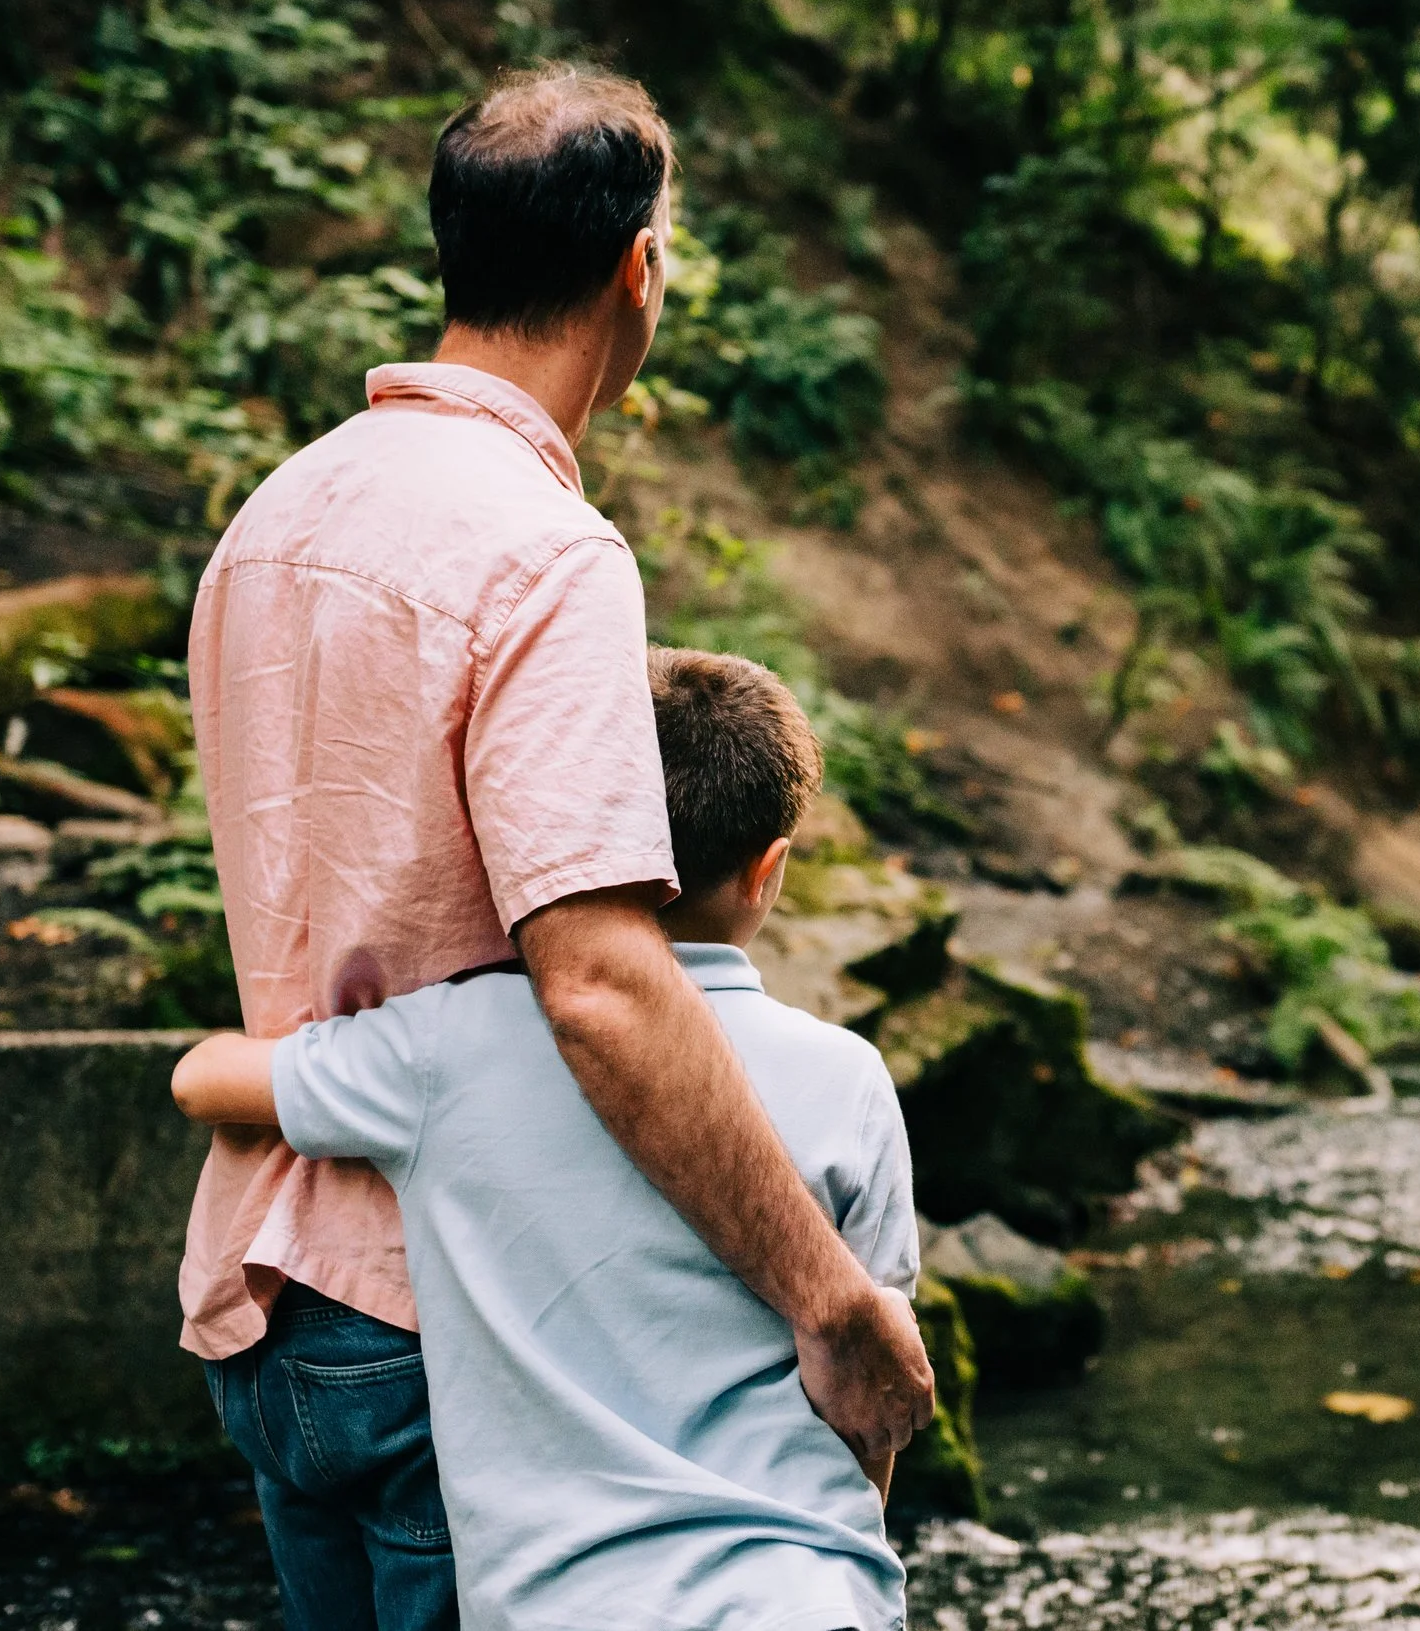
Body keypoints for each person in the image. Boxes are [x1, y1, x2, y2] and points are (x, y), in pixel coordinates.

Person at [181, 65, 931, 1631]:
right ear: (639, 267)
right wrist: (829, 1297)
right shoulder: (541, 552)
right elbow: (595, 983)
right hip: (456, 1311)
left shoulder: (273, 517)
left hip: (265, 1284)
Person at [171, 650, 916, 1631]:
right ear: (767, 868)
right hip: (801, 1595)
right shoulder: (850, 1078)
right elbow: (874, 1394)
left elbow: (201, 1079)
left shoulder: (446, 1045)